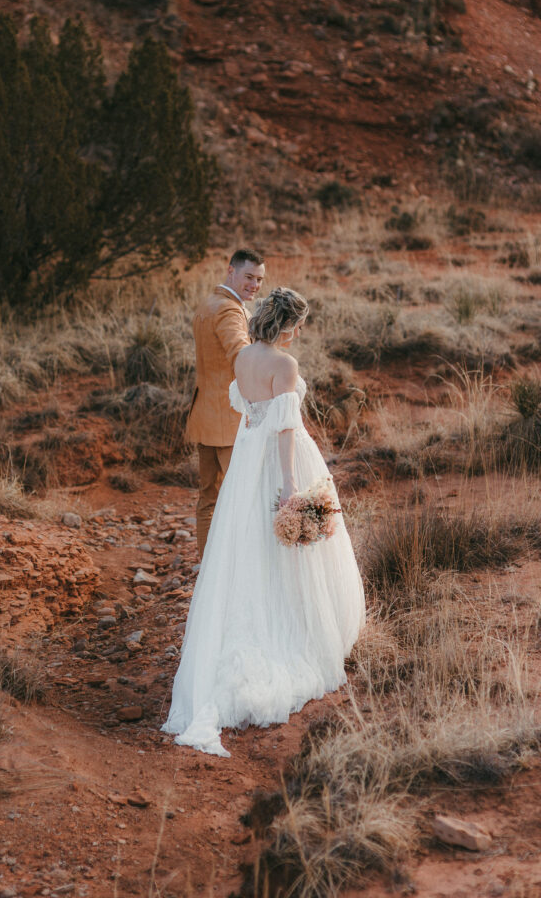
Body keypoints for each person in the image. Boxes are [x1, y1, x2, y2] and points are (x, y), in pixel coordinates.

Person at [162, 287, 366, 757]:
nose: (299, 334)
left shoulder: (245, 358)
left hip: (246, 463)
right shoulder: (284, 365)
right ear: (289, 325)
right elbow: (286, 430)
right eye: (299, 326)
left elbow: (249, 417)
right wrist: (291, 487)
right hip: (276, 461)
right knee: (286, 550)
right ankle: (291, 635)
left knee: (248, 550)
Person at [185, 248, 266, 558]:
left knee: (208, 498)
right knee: (240, 499)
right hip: (229, 421)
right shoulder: (230, 311)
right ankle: (233, 568)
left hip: (204, 414)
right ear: (231, 271)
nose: (255, 285)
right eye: (249, 277)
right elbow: (242, 356)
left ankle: (208, 567)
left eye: (259, 279)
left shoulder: (208, 303)